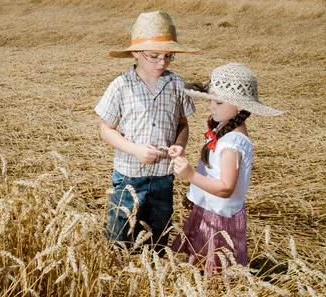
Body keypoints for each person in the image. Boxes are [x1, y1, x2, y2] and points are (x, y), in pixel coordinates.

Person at [94, 11, 199, 254]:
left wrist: (180, 145)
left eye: (168, 56)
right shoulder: (120, 86)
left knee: (158, 236)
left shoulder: (177, 84)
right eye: (154, 56)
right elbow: (106, 130)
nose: (161, 62)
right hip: (129, 178)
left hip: (163, 178)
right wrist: (135, 150)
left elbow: (182, 124)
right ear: (135, 53)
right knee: (120, 236)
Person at [169, 63, 283, 274]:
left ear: (240, 106)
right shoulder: (222, 128)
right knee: (202, 261)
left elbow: (225, 188)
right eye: (210, 100)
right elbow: (212, 170)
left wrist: (189, 175)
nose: (211, 106)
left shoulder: (233, 144)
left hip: (220, 217)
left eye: (219, 102)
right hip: (209, 207)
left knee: (218, 271)